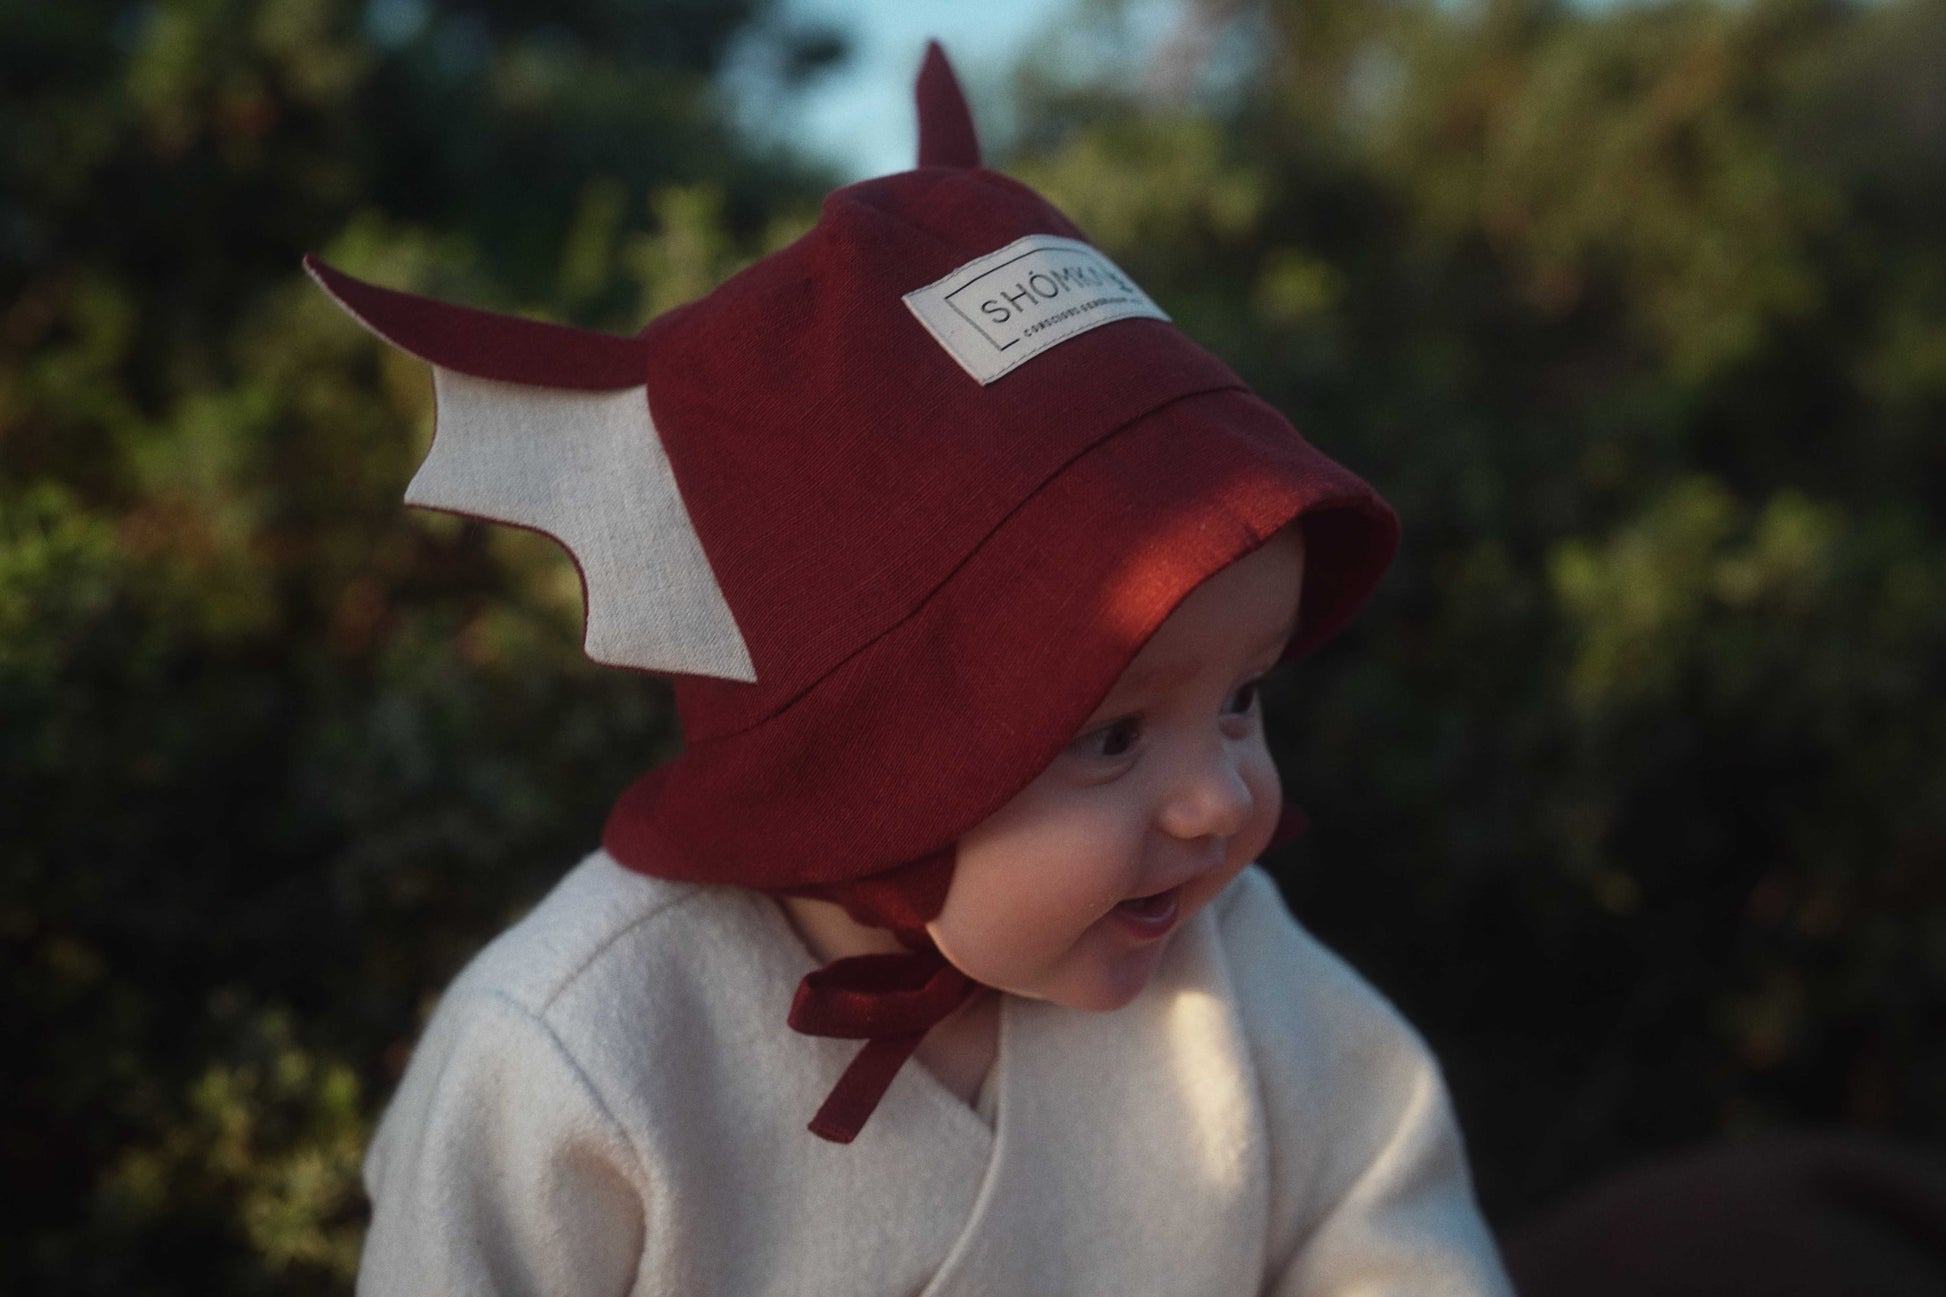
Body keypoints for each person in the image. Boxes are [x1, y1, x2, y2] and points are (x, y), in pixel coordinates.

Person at [310, 42, 1515, 1297]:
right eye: (1110, 734)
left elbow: (1387, 1235)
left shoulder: (1232, 969)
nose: (1218, 801)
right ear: (862, 768)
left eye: (1241, 699)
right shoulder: (581, 1052)